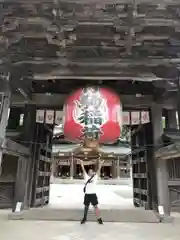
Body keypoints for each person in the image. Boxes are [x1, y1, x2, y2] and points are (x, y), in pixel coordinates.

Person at [78, 159, 104, 224]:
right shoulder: (86, 177)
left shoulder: (95, 178)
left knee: (96, 207)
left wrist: (100, 164)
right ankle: (84, 218)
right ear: (88, 172)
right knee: (86, 207)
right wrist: (81, 164)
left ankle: (99, 218)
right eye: (89, 171)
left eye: (91, 171)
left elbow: (98, 170)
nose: (90, 172)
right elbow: (83, 170)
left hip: (93, 195)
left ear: (93, 172)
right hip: (87, 195)